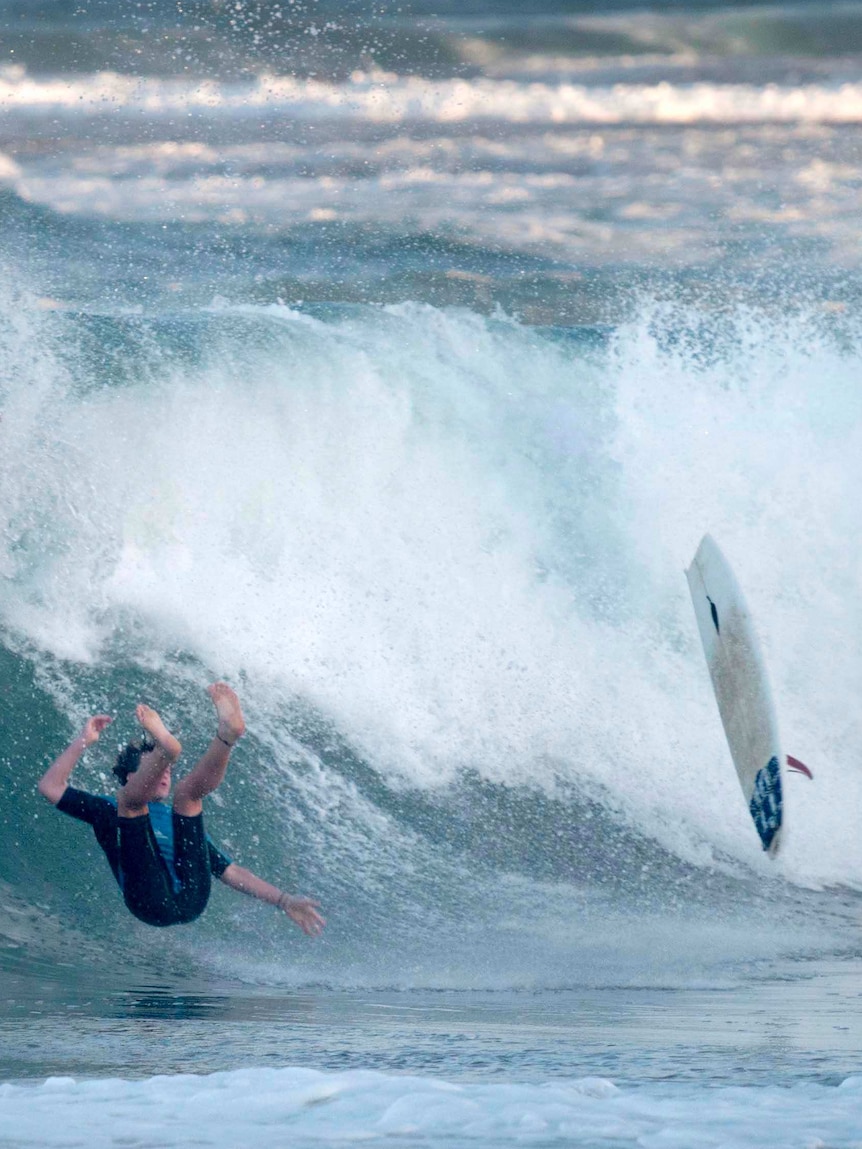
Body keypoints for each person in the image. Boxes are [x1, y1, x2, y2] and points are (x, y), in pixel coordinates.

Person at [37, 682, 325, 936]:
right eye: (158, 767)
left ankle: (226, 735)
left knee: (185, 796)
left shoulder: (167, 817)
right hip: (153, 902)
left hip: (189, 900)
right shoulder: (106, 808)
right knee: (151, 802)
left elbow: (231, 872)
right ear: (130, 776)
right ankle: (182, 745)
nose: (165, 774)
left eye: (167, 768)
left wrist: (284, 900)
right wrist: (84, 740)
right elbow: (51, 787)